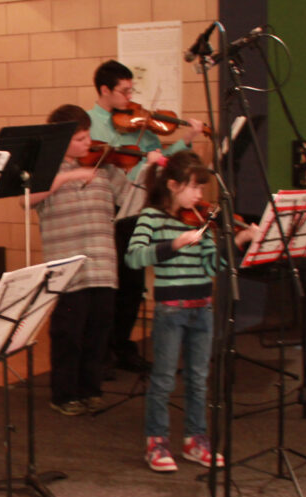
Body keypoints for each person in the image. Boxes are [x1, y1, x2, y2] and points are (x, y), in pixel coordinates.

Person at [124, 151, 264, 473]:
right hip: (170, 311)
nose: (200, 196)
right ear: (173, 185)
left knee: (199, 379)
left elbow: (213, 266)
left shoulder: (202, 219)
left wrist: (239, 240)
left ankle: (194, 439)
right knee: (162, 381)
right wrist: (174, 244)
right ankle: (156, 441)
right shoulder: (151, 217)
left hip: (203, 309)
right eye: (195, 188)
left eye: (202, 189)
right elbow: (134, 258)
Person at [88, 60, 205, 375]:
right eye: (124, 92)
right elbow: (112, 168)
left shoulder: (140, 123)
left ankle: (123, 347)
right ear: (104, 90)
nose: (130, 98)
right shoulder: (90, 125)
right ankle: (102, 352)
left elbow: (162, 161)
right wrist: (146, 164)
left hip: (134, 211)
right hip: (104, 213)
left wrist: (187, 139)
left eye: (131, 91)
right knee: (108, 289)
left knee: (133, 285)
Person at [31, 104, 131, 416]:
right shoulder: (46, 172)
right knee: (68, 335)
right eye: (80, 139)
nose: (88, 144)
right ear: (61, 141)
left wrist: (145, 168)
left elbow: (131, 199)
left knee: (98, 332)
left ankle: (91, 389)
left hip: (102, 265)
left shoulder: (103, 169)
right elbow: (27, 199)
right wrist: (71, 175)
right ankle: (63, 395)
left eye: (89, 137)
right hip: (67, 269)